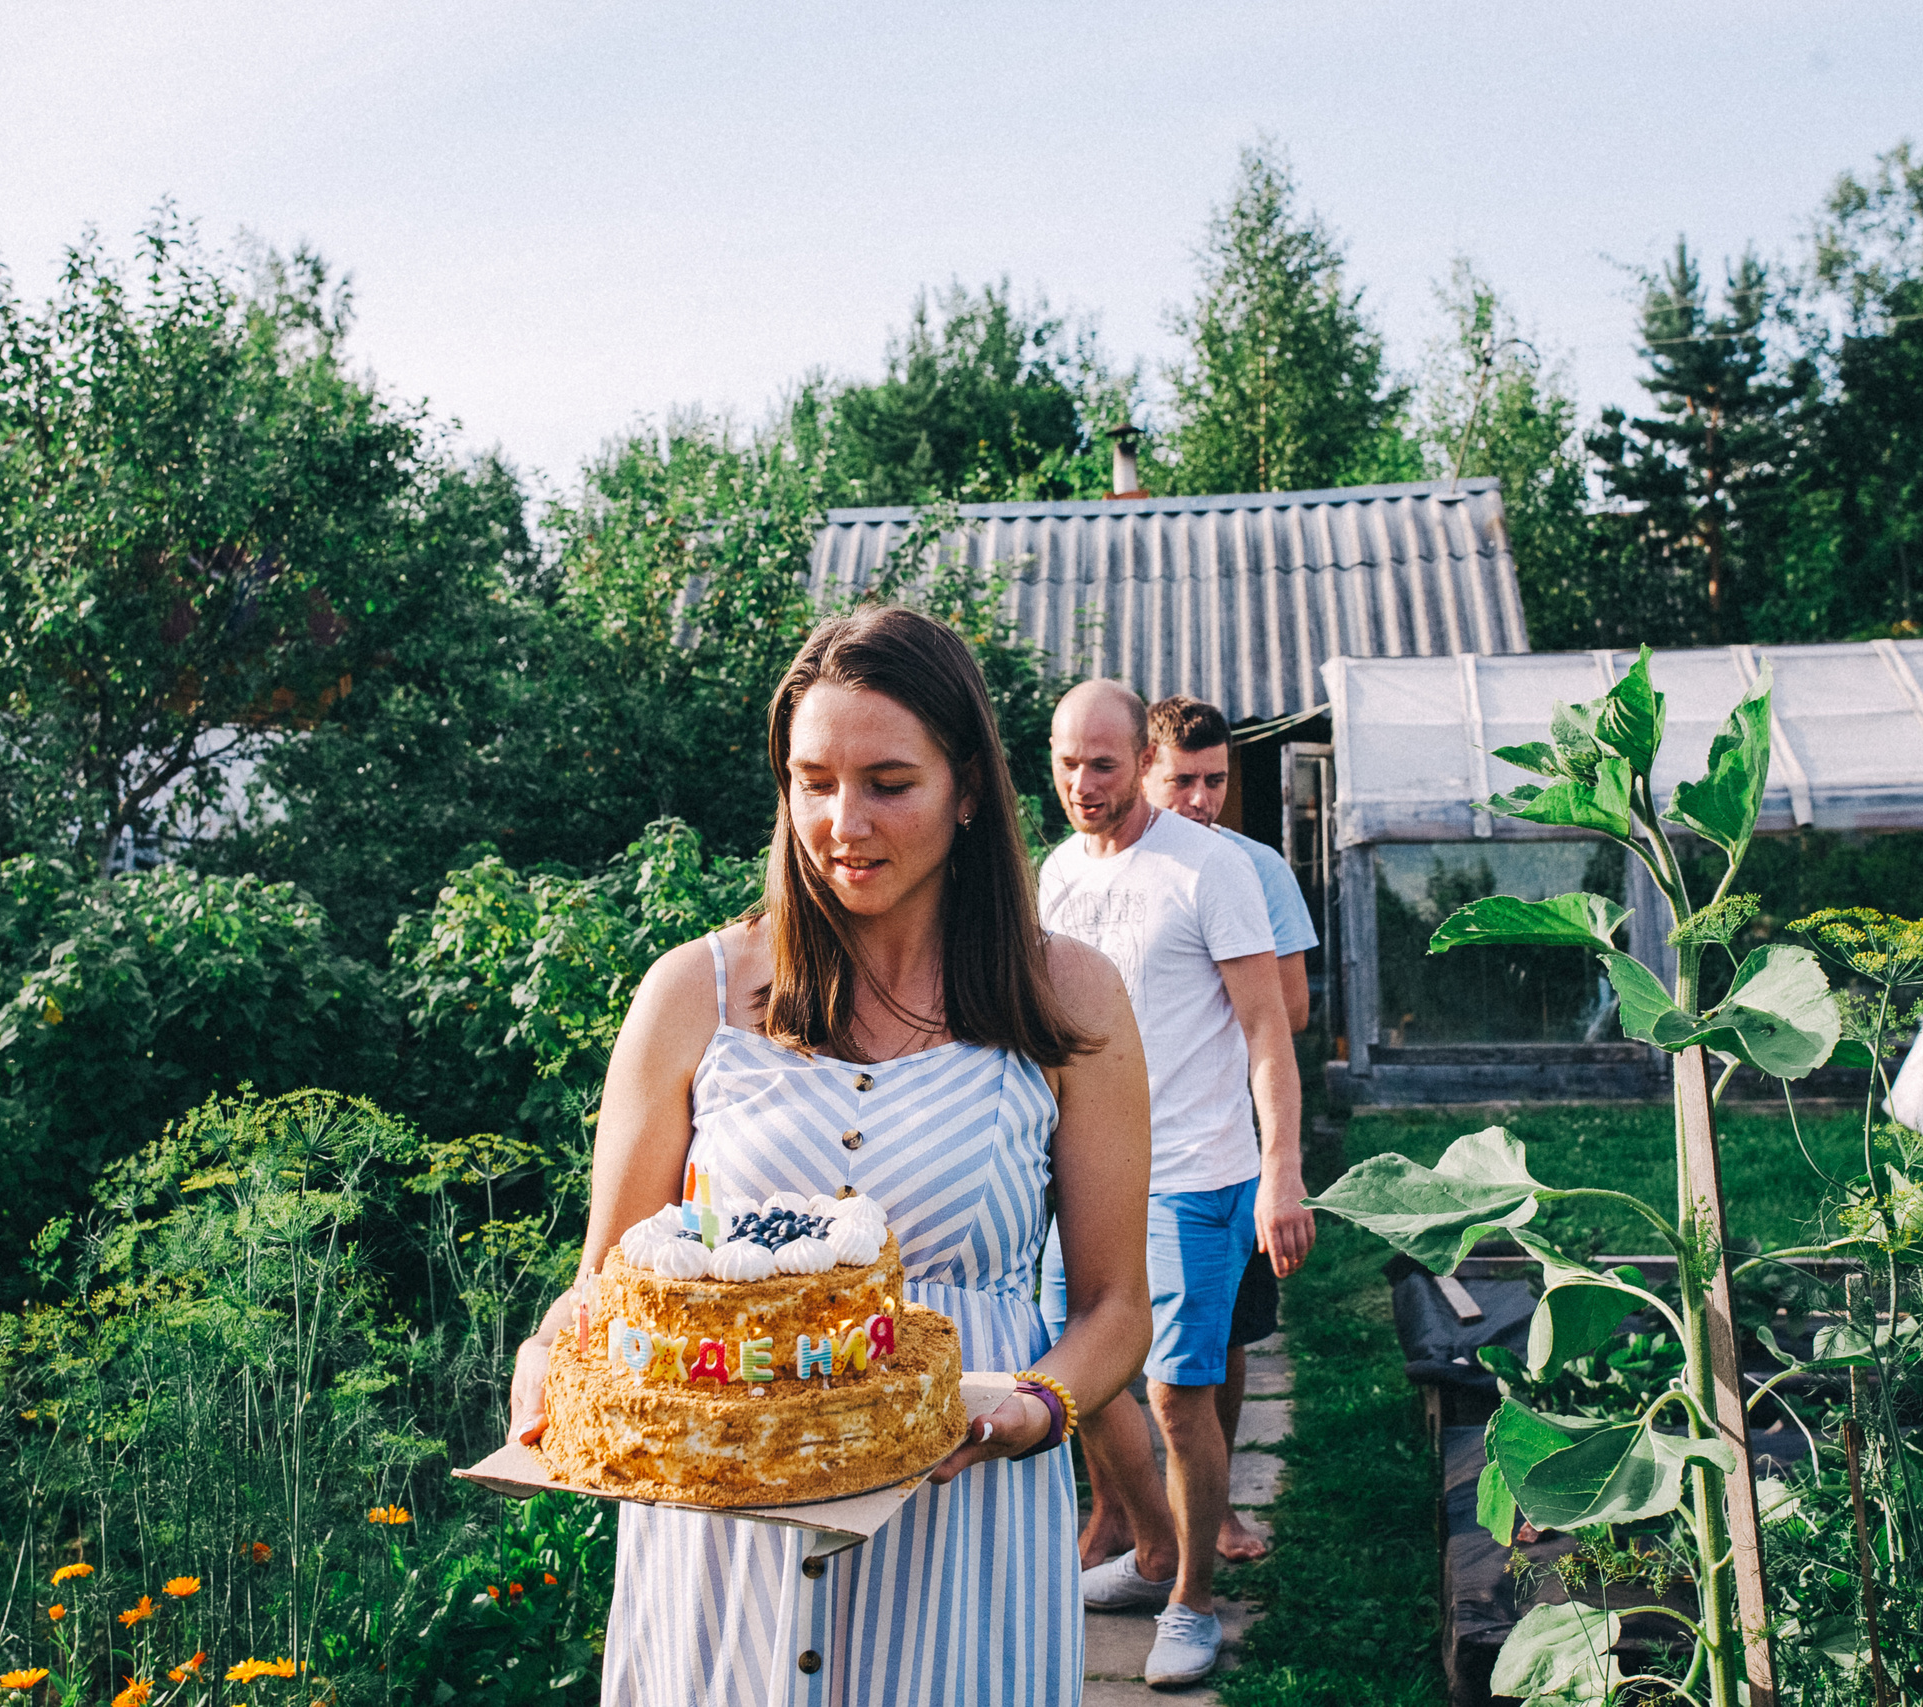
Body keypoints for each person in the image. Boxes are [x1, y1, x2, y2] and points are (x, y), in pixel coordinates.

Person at [507, 605, 1151, 1707]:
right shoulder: (692, 994)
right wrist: (549, 1358)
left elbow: (1114, 1306)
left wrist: (1037, 1406)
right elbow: (608, 1283)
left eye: (887, 783)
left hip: (960, 1519)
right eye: (812, 781)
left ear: (966, 788)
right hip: (720, 1532)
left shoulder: (1066, 995)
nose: (841, 822)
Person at [1035, 678, 1311, 1689]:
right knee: (1081, 1377)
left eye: (1101, 765)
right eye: (1066, 764)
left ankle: (1192, 1600)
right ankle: (1153, 1550)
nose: (1081, 784)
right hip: (1079, 1180)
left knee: (1177, 1394)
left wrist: (1279, 1174)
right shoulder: (1055, 875)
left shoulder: (1209, 869)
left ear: (1134, 762)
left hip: (1196, 1173)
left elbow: (1266, 1032)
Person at [1142, 693, 1319, 1564]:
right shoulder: (1109, 871)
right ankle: (1129, 1518)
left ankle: (1218, 1510)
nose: (1201, 800)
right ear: (1147, 773)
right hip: (1135, 1128)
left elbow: (1289, 1008)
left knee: (1228, 1330)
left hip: (1225, 1133)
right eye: (1183, 781)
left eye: (1214, 781)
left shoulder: (1254, 869)